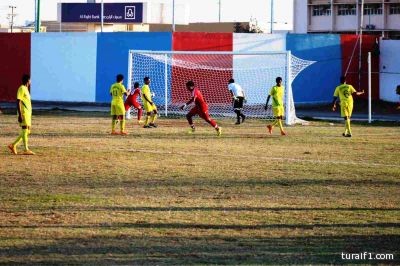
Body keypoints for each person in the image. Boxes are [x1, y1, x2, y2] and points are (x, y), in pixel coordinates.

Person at [8, 74, 35, 155]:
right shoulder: (22, 88)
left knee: (27, 131)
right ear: (28, 80)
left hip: (28, 113)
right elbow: (18, 101)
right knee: (24, 129)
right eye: (30, 80)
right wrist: (20, 114)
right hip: (23, 112)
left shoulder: (26, 89)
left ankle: (13, 145)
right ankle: (26, 149)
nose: (30, 81)